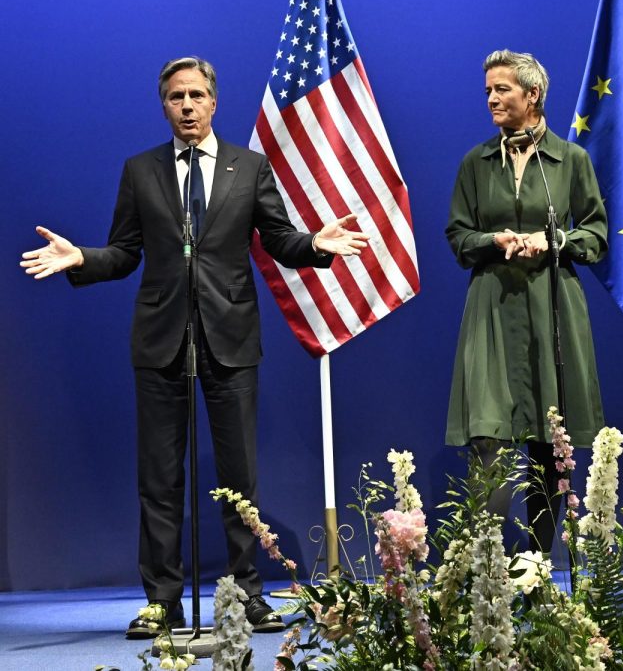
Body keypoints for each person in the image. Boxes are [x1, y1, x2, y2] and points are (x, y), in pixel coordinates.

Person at [20, 56, 369, 637]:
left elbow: (280, 239)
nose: (187, 105)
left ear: (214, 102)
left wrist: (317, 243)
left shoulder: (249, 167)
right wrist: (83, 258)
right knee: (159, 479)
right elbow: (125, 251)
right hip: (160, 343)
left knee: (240, 476)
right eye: (176, 96)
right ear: (164, 105)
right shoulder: (141, 170)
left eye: (197, 95)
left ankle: (242, 595)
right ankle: (162, 601)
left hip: (230, 341)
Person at [445, 49, 607, 555]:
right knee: (487, 436)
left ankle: (536, 563)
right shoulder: (476, 162)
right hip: (491, 309)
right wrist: (493, 241)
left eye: (503, 89)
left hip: (551, 308)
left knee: (547, 436)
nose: (491, 98)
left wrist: (554, 240)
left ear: (532, 95)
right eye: (488, 89)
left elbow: (597, 234)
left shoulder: (569, 159)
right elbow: (457, 234)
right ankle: (488, 564)